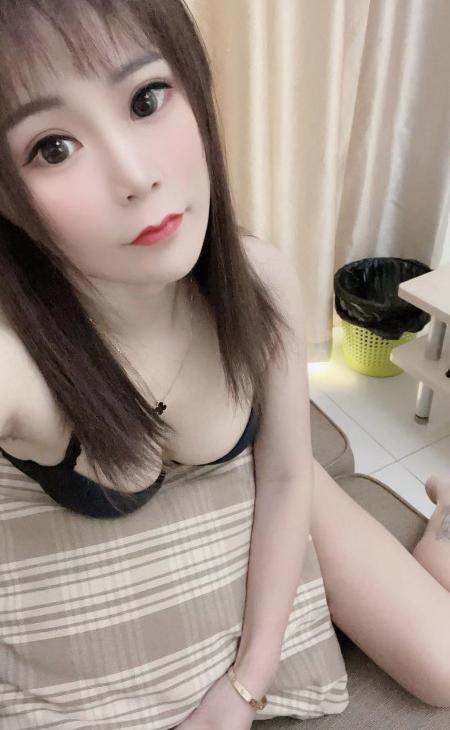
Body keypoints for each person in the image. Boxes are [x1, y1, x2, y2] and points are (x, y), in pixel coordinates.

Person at [0, 1, 448, 728]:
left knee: (444, 666)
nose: (136, 176)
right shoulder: (17, 359)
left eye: (147, 98)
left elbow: (287, 475)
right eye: (53, 147)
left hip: (254, 473)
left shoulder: (259, 276)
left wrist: (244, 687)